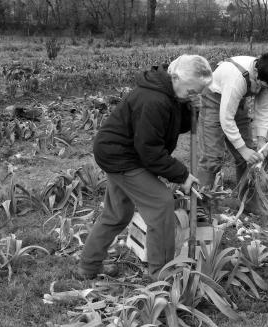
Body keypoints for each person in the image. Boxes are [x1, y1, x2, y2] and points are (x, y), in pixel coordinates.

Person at [78, 54, 216, 280]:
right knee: (162, 204)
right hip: (122, 157)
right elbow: (150, 151)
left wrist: (193, 110)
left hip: (122, 152)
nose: (195, 95)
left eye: (198, 92)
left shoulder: (170, 92)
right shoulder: (153, 99)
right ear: (177, 77)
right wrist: (182, 175)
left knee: (118, 213)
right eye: (192, 91)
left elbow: (169, 126)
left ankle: (88, 266)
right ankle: (161, 276)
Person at [197, 53, 268, 213]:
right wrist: (242, 149)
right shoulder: (236, 78)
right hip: (213, 100)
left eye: (267, 88)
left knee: (249, 158)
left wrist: (261, 141)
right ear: (256, 72)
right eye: (262, 86)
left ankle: (249, 203)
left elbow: (264, 110)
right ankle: (202, 209)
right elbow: (226, 118)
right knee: (212, 158)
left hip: (237, 103)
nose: (263, 90)